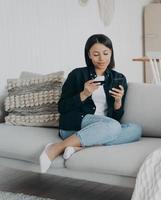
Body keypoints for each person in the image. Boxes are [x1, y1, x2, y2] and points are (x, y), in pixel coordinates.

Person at [39, 34, 142, 173]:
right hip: (75, 126)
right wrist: (84, 94)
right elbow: (62, 108)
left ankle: (79, 146)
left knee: (135, 130)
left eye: (106, 53)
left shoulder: (119, 78)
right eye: (96, 54)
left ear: (111, 53)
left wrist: (118, 101)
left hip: (103, 128)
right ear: (89, 55)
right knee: (113, 126)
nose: (102, 59)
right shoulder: (77, 74)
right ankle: (56, 147)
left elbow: (116, 118)